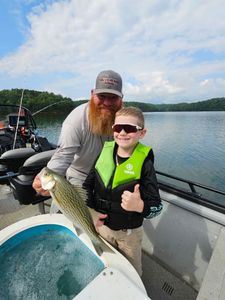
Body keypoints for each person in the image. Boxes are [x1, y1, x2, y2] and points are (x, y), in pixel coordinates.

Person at [83, 106, 162, 276]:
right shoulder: (104, 153)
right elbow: (87, 186)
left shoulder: (146, 165)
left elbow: (157, 206)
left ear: (142, 133)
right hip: (102, 228)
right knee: (106, 264)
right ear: (113, 130)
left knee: (132, 272)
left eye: (131, 128)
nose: (123, 132)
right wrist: (92, 214)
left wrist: (140, 206)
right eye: (118, 128)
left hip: (129, 235)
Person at [32, 70, 123, 196]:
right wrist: (46, 177)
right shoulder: (76, 119)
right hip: (81, 175)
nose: (107, 103)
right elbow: (63, 154)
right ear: (92, 94)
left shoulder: (125, 118)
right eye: (102, 96)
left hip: (111, 175)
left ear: (121, 98)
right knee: (73, 211)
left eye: (113, 97)